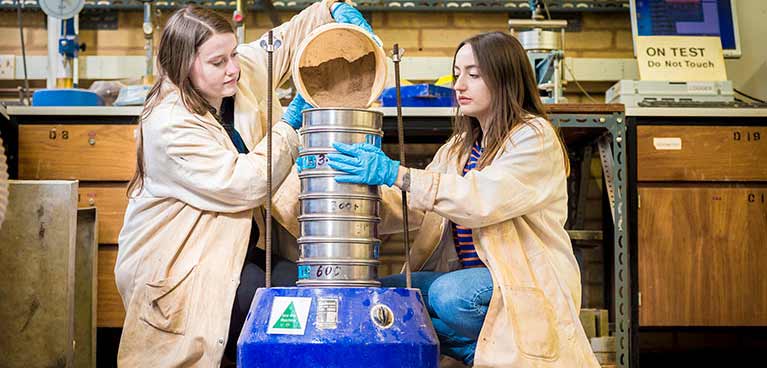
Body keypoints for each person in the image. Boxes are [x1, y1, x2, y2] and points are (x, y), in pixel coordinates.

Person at [114, 2, 375, 366]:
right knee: (283, 306)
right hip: (185, 264)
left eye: (234, 54)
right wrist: (290, 122)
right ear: (182, 66)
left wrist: (332, 10)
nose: (233, 68)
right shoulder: (169, 124)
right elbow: (243, 184)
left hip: (235, 249)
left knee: (313, 292)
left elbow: (285, 40)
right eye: (218, 62)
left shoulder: (231, 74)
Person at [328, 32, 600, 367]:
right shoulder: (459, 147)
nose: (459, 85)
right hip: (466, 282)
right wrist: (341, 199)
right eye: (457, 73)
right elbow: (414, 207)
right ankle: (484, 351)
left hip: (512, 282)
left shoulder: (534, 137)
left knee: (449, 297)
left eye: (473, 75)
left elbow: (480, 201)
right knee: (386, 297)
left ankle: (490, 355)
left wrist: (396, 173)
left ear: (506, 79)